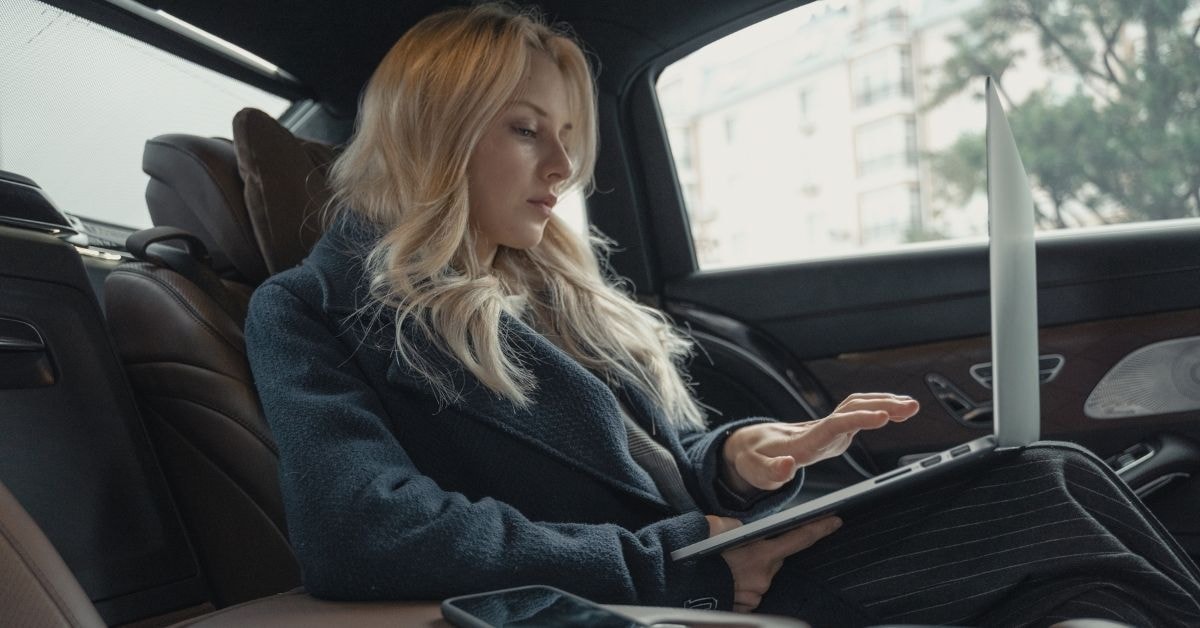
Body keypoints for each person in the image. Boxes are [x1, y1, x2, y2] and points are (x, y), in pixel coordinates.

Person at [245, 3, 1200, 625]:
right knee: (1040, 481)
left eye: (568, 137)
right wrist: (668, 561)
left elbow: (663, 461)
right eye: (526, 130)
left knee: (1066, 522)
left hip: (723, 556)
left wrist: (746, 460)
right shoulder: (314, 309)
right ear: (432, 135)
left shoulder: (553, 290)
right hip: (667, 586)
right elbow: (359, 528)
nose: (563, 170)